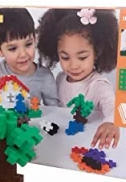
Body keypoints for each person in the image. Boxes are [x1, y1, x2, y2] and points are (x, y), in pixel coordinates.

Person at [37, 8, 120, 149]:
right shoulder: (61, 78)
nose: (73, 65)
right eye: (65, 57)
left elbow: (112, 105)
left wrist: (110, 122)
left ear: (97, 52)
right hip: (62, 142)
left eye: (82, 57)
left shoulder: (99, 85)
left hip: (88, 143)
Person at [0, 7, 60, 106]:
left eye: (28, 44)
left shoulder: (45, 77)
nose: (23, 54)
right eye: (13, 48)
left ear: (35, 39)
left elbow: (54, 110)